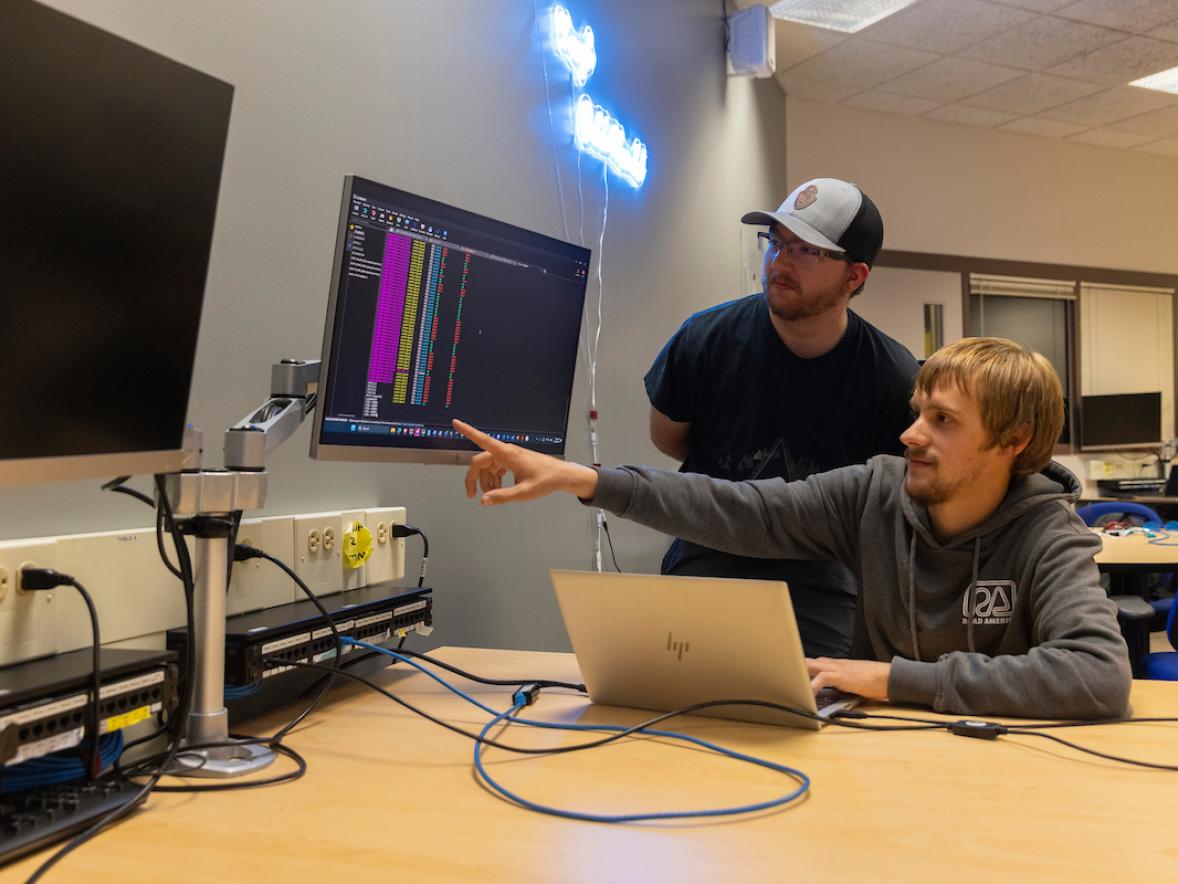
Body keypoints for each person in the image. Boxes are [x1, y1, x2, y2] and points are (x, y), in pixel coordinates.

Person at [453, 337, 1132, 720]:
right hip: (880, 766)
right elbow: (739, 508)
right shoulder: (874, 493)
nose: (910, 433)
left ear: (1013, 442)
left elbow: (1099, 676)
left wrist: (894, 680)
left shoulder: (1048, 533)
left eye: (943, 421)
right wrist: (588, 481)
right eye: (917, 410)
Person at [645, 177, 919, 659]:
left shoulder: (890, 376)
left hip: (823, 578)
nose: (779, 261)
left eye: (807, 251)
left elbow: (890, 507)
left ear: (854, 277)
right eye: (775, 242)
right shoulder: (705, 340)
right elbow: (668, 438)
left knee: (822, 715)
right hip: (707, 555)